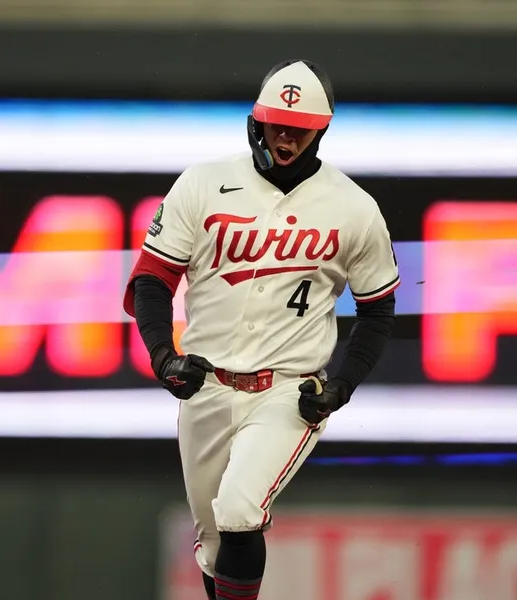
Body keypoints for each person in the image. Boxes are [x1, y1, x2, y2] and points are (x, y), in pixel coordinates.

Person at [123, 58, 398, 600]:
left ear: (320, 131)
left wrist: (342, 386)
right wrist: (162, 355)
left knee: (240, 509)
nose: (286, 138)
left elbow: (377, 310)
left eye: (299, 129)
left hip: (287, 391)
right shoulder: (202, 184)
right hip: (206, 385)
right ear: (257, 122)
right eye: (277, 126)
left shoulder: (354, 208)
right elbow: (152, 279)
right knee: (213, 544)